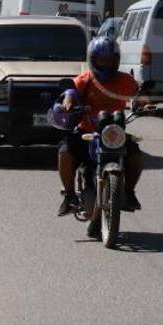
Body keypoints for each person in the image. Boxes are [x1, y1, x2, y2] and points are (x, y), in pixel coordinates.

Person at [57, 37, 144, 217]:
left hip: (114, 133)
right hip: (86, 132)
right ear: (93, 59)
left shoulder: (125, 80)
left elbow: (138, 94)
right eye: (101, 60)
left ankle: (129, 193)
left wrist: (145, 102)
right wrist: (69, 102)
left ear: (116, 60)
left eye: (109, 60)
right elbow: (70, 92)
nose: (105, 64)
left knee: (135, 154)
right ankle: (69, 195)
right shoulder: (86, 79)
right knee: (65, 152)